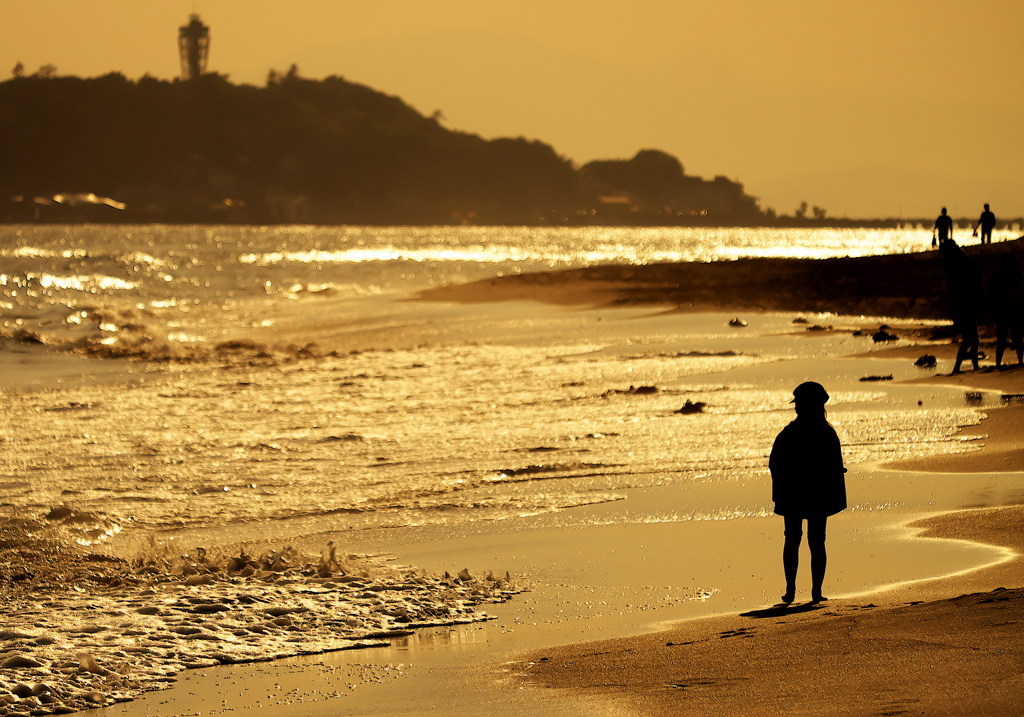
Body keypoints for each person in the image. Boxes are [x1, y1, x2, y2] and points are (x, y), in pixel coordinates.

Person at [769, 381, 847, 604]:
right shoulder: (827, 433)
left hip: (792, 494)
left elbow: (774, 465)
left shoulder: (788, 433)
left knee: (793, 539)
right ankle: (815, 591)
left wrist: (780, 491)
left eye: (798, 404)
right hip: (818, 495)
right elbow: (834, 468)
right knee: (817, 541)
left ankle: (791, 591)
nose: (796, 408)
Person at [940, 240, 984, 373]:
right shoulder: (959, 261)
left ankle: (965, 365)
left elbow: (956, 283)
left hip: (962, 304)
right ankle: (961, 366)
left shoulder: (953, 264)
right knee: (971, 338)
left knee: (971, 338)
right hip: (966, 304)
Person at [988, 253, 1024, 367]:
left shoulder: (997, 276)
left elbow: (990, 294)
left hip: (1004, 310)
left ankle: (999, 363)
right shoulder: (1017, 275)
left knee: (1003, 339)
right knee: (1017, 337)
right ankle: (1020, 361)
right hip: (1014, 310)